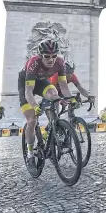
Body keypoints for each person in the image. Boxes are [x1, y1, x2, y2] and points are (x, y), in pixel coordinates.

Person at [18, 39, 72, 175]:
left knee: (54, 93)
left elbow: (64, 86)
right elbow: (28, 92)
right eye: (47, 56)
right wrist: (35, 106)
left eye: (54, 56)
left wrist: (70, 100)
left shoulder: (60, 62)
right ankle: (30, 155)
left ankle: (53, 126)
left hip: (42, 83)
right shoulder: (33, 63)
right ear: (40, 55)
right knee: (32, 120)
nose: (51, 59)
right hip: (26, 86)